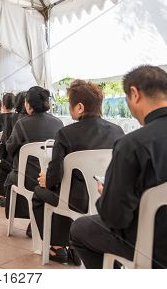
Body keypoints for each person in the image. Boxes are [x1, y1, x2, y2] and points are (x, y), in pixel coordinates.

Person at [70, 65, 167, 269]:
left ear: (134, 93)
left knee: (80, 228)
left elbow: (115, 217)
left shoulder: (132, 144)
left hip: (153, 244)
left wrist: (108, 194)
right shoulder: (121, 134)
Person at [32, 80, 124, 265]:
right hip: (101, 197)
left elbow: (56, 175)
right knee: (64, 191)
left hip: (73, 200)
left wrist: (46, 181)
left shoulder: (65, 134)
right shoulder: (117, 131)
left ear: (80, 107)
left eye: (69, 103)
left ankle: (57, 247)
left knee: (40, 194)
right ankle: (74, 247)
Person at [4, 87, 63, 230]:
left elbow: (10, 149)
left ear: (28, 105)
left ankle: (31, 217)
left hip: (27, 178)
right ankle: (36, 221)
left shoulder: (22, 123)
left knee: (10, 179)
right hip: (51, 179)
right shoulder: (59, 123)